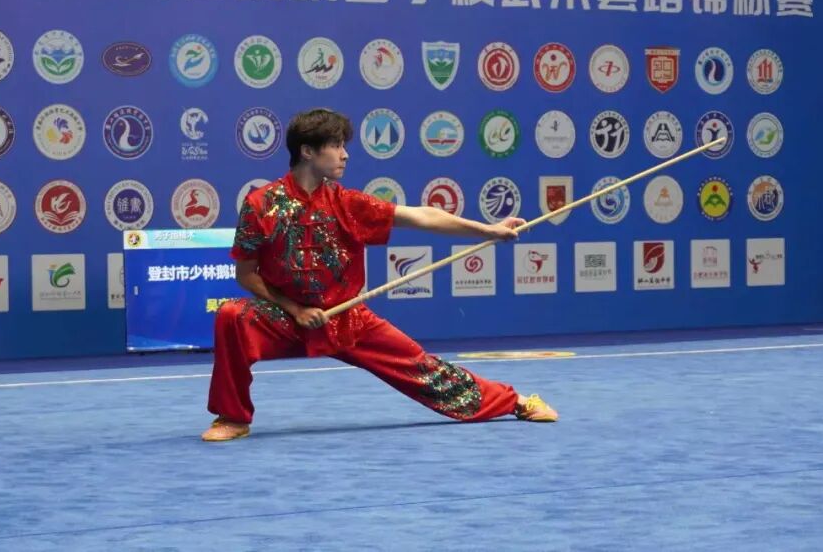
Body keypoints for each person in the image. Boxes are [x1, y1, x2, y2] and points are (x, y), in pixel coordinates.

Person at [202, 108, 557, 442]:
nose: (345, 155)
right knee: (233, 315)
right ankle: (232, 417)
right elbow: (246, 275)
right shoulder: (260, 204)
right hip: (286, 319)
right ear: (307, 151)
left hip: (347, 320)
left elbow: (423, 215)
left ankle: (514, 401)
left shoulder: (348, 204)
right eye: (336, 146)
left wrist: (489, 231)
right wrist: (296, 310)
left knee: (424, 368)